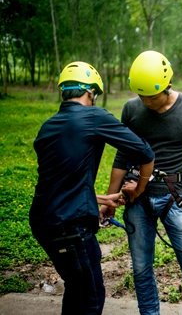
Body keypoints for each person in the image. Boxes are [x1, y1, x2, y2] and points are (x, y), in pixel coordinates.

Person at [30, 61, 155, 315]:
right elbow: (145, 153)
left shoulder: (47, 128)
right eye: (94, 94)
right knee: (91, 296)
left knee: (76, 287)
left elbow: (58, 184)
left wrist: (101, 199)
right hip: (71, 227)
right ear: (90, 93)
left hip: (43, 224)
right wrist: (139, 190)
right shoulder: (94, 116)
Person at [100, 50, 182, 315]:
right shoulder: (132, 109)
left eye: (151, 96)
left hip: (176, 199)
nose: (145, 101)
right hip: (136, 198)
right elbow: (122, 155)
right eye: (141, 95)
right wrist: (109, 200)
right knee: (141, 268)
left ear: (167, 86)